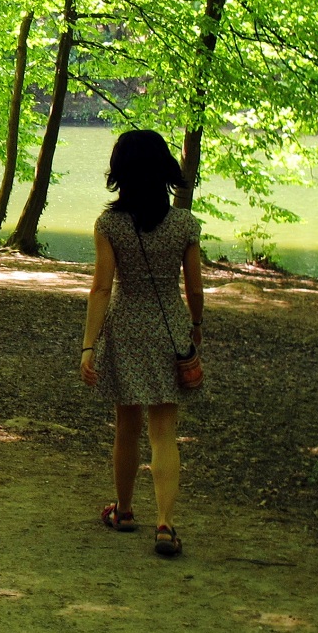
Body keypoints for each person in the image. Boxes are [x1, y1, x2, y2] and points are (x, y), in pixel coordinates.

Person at [79, 129, 204, 557]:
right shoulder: (185, 224)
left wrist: (88, 345)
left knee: (127, 427)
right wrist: (196, 326)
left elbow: (101, 288)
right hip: (170, 328)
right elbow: (194, 289)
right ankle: (166, 524)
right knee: (164, 432)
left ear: (121, 172)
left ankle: (125, 510)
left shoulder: (109, 224)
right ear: (164, 169)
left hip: (126, 328)